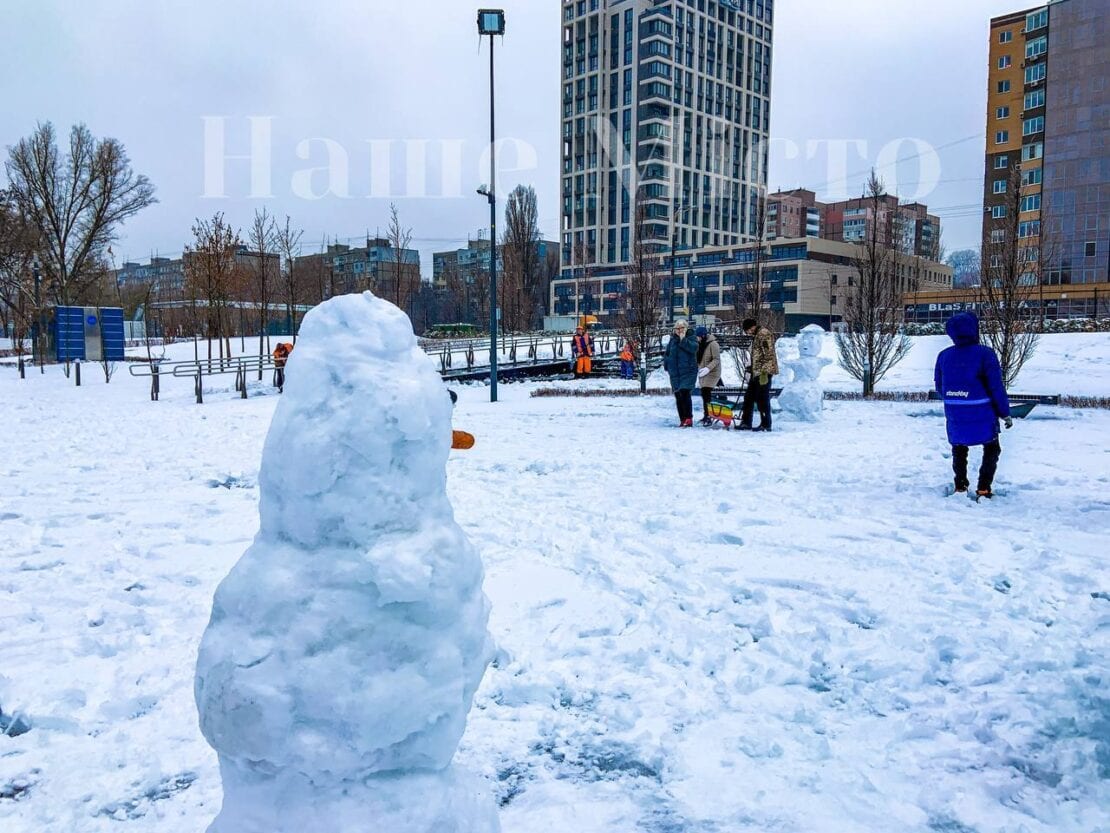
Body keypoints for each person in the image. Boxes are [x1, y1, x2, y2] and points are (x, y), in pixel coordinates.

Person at [934, 311, 1012, 498]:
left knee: (959, 448)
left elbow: (939, 386)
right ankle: (984, 488)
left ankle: (960, 485)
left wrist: (956, 398)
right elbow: (995, 386)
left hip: (955, 412)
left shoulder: (944, 356)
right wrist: (1004, 412)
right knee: (992, 447)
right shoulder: (985, 354)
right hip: (982, 412)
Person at [737, 319, 778, 432]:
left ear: (752, 327)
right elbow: (758, 355)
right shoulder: (757, 335)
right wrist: (753, 367)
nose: (748, 333)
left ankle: (766, 424)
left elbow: (768, 354)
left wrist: (764, 372)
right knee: (749, 397)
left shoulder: (764, 334)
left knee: (762, 398)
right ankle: (746, 422)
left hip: (763, 373)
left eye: (748, 330)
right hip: (757, 372)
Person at [663, 319, 699, 427]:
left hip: (688, 371)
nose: (679, 330)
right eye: (677, 328)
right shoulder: (672, 340)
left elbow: (693, 348)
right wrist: (667, 365)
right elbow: (667, 353)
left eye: (682, 328)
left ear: (686, 328)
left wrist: (683, 339)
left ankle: (689, 418)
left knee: (685, 392)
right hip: (675, 373)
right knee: (678, 395)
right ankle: (682, 419)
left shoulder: (691, 337)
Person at [695, 326, 721, 426]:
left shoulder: (713, 344)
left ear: (703, 335)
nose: (697, 339)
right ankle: (706, 415)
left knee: (706, 393)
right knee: (704, 394)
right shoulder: (701, 344)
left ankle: (709, 416)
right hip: (704, 373)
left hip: (713, 373)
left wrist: (707, 369)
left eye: (698, 337)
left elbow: (716, 359)